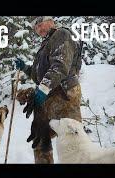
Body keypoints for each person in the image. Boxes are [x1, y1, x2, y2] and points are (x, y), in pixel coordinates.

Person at [14, 16, 83, 163]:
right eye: (35, 27)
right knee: (40, 139)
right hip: (49, 97)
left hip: (65, 95)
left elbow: (60, 66)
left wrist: (43, 88)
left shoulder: (61, 34)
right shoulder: (46, 44)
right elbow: (39, 75)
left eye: (40, 24)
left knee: (72, 139)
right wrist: (25, 68)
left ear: (50, 20)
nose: (38, 29)